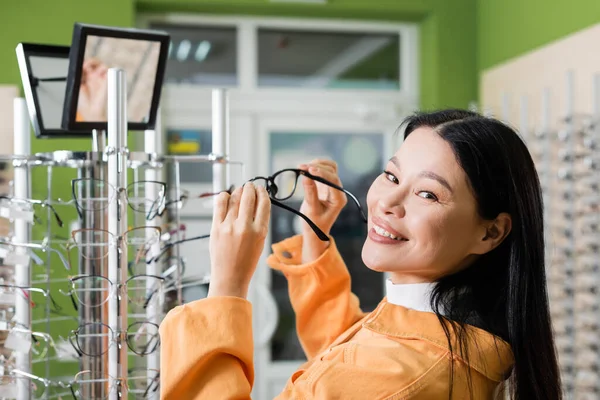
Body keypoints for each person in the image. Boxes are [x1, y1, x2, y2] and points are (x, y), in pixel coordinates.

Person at [159, 109, 562, 399]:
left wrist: (227, 286)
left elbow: (359, 375)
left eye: (427, 193)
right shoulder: (449, 335)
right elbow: (345, 353)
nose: (387, 201)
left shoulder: (399, 375)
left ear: (490, 232)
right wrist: (315, 232)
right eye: (391, 176)